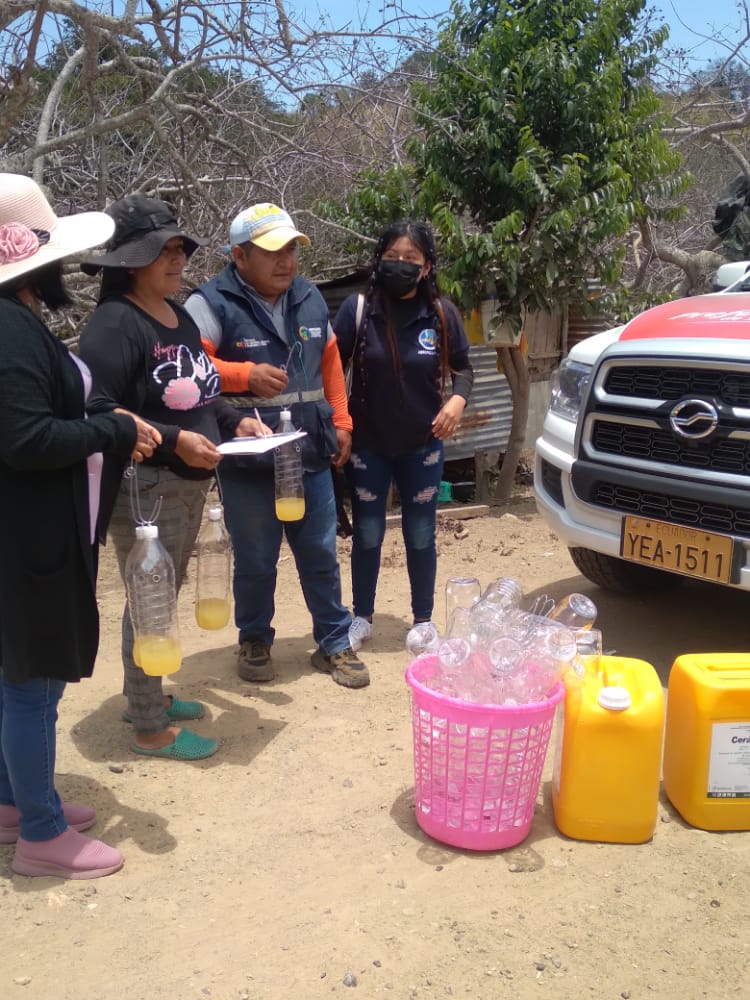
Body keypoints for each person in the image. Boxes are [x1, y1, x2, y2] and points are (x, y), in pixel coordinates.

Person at [0, 174, 160, 878]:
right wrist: (111, 429)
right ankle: (40, 832)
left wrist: (101, 423)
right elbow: (26, 439)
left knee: (13, 677)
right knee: (33, 685)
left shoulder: (16, 319)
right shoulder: (10, 328)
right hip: (29, 538)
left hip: (24, 532)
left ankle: (13, 800)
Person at [78, 194, 268, 761]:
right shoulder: (115, 324)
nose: (178, 259)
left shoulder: (178, 315)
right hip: (145, 488)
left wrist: (236, 420)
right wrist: (172, 440)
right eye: (165, 251)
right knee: (150, 599)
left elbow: (202, 392)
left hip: (187, 485)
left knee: (164, 592)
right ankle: (148, 725)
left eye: (180, 248)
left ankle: (150, 696)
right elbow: (100, 410)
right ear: (131, 261)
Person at [184, 203, 369, 689]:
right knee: (256, 558)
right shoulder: (211, 303)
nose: (286, 260)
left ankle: (334, 641)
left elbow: (330, 364)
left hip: (308, 452)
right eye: (272, 251)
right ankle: (254, 639)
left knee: (320, 552)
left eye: (291, 249)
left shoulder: (309, 297)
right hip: (248, 459)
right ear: (239, 256)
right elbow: (188, 367)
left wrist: (342, 420)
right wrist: (243, 375)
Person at [333, 220, 474, 650]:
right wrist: (339, 423)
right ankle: (361, 617)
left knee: (420, 533)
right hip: (368, 446)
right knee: (367, 533)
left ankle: (423, 621)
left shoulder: (442, 314)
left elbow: (464, 369)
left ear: (427, 266)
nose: (400, 265)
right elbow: (331, 370)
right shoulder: (358, 310)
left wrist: (456, 402)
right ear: (378, 261)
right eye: (392, 257)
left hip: (422, 448)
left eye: (410, 258)